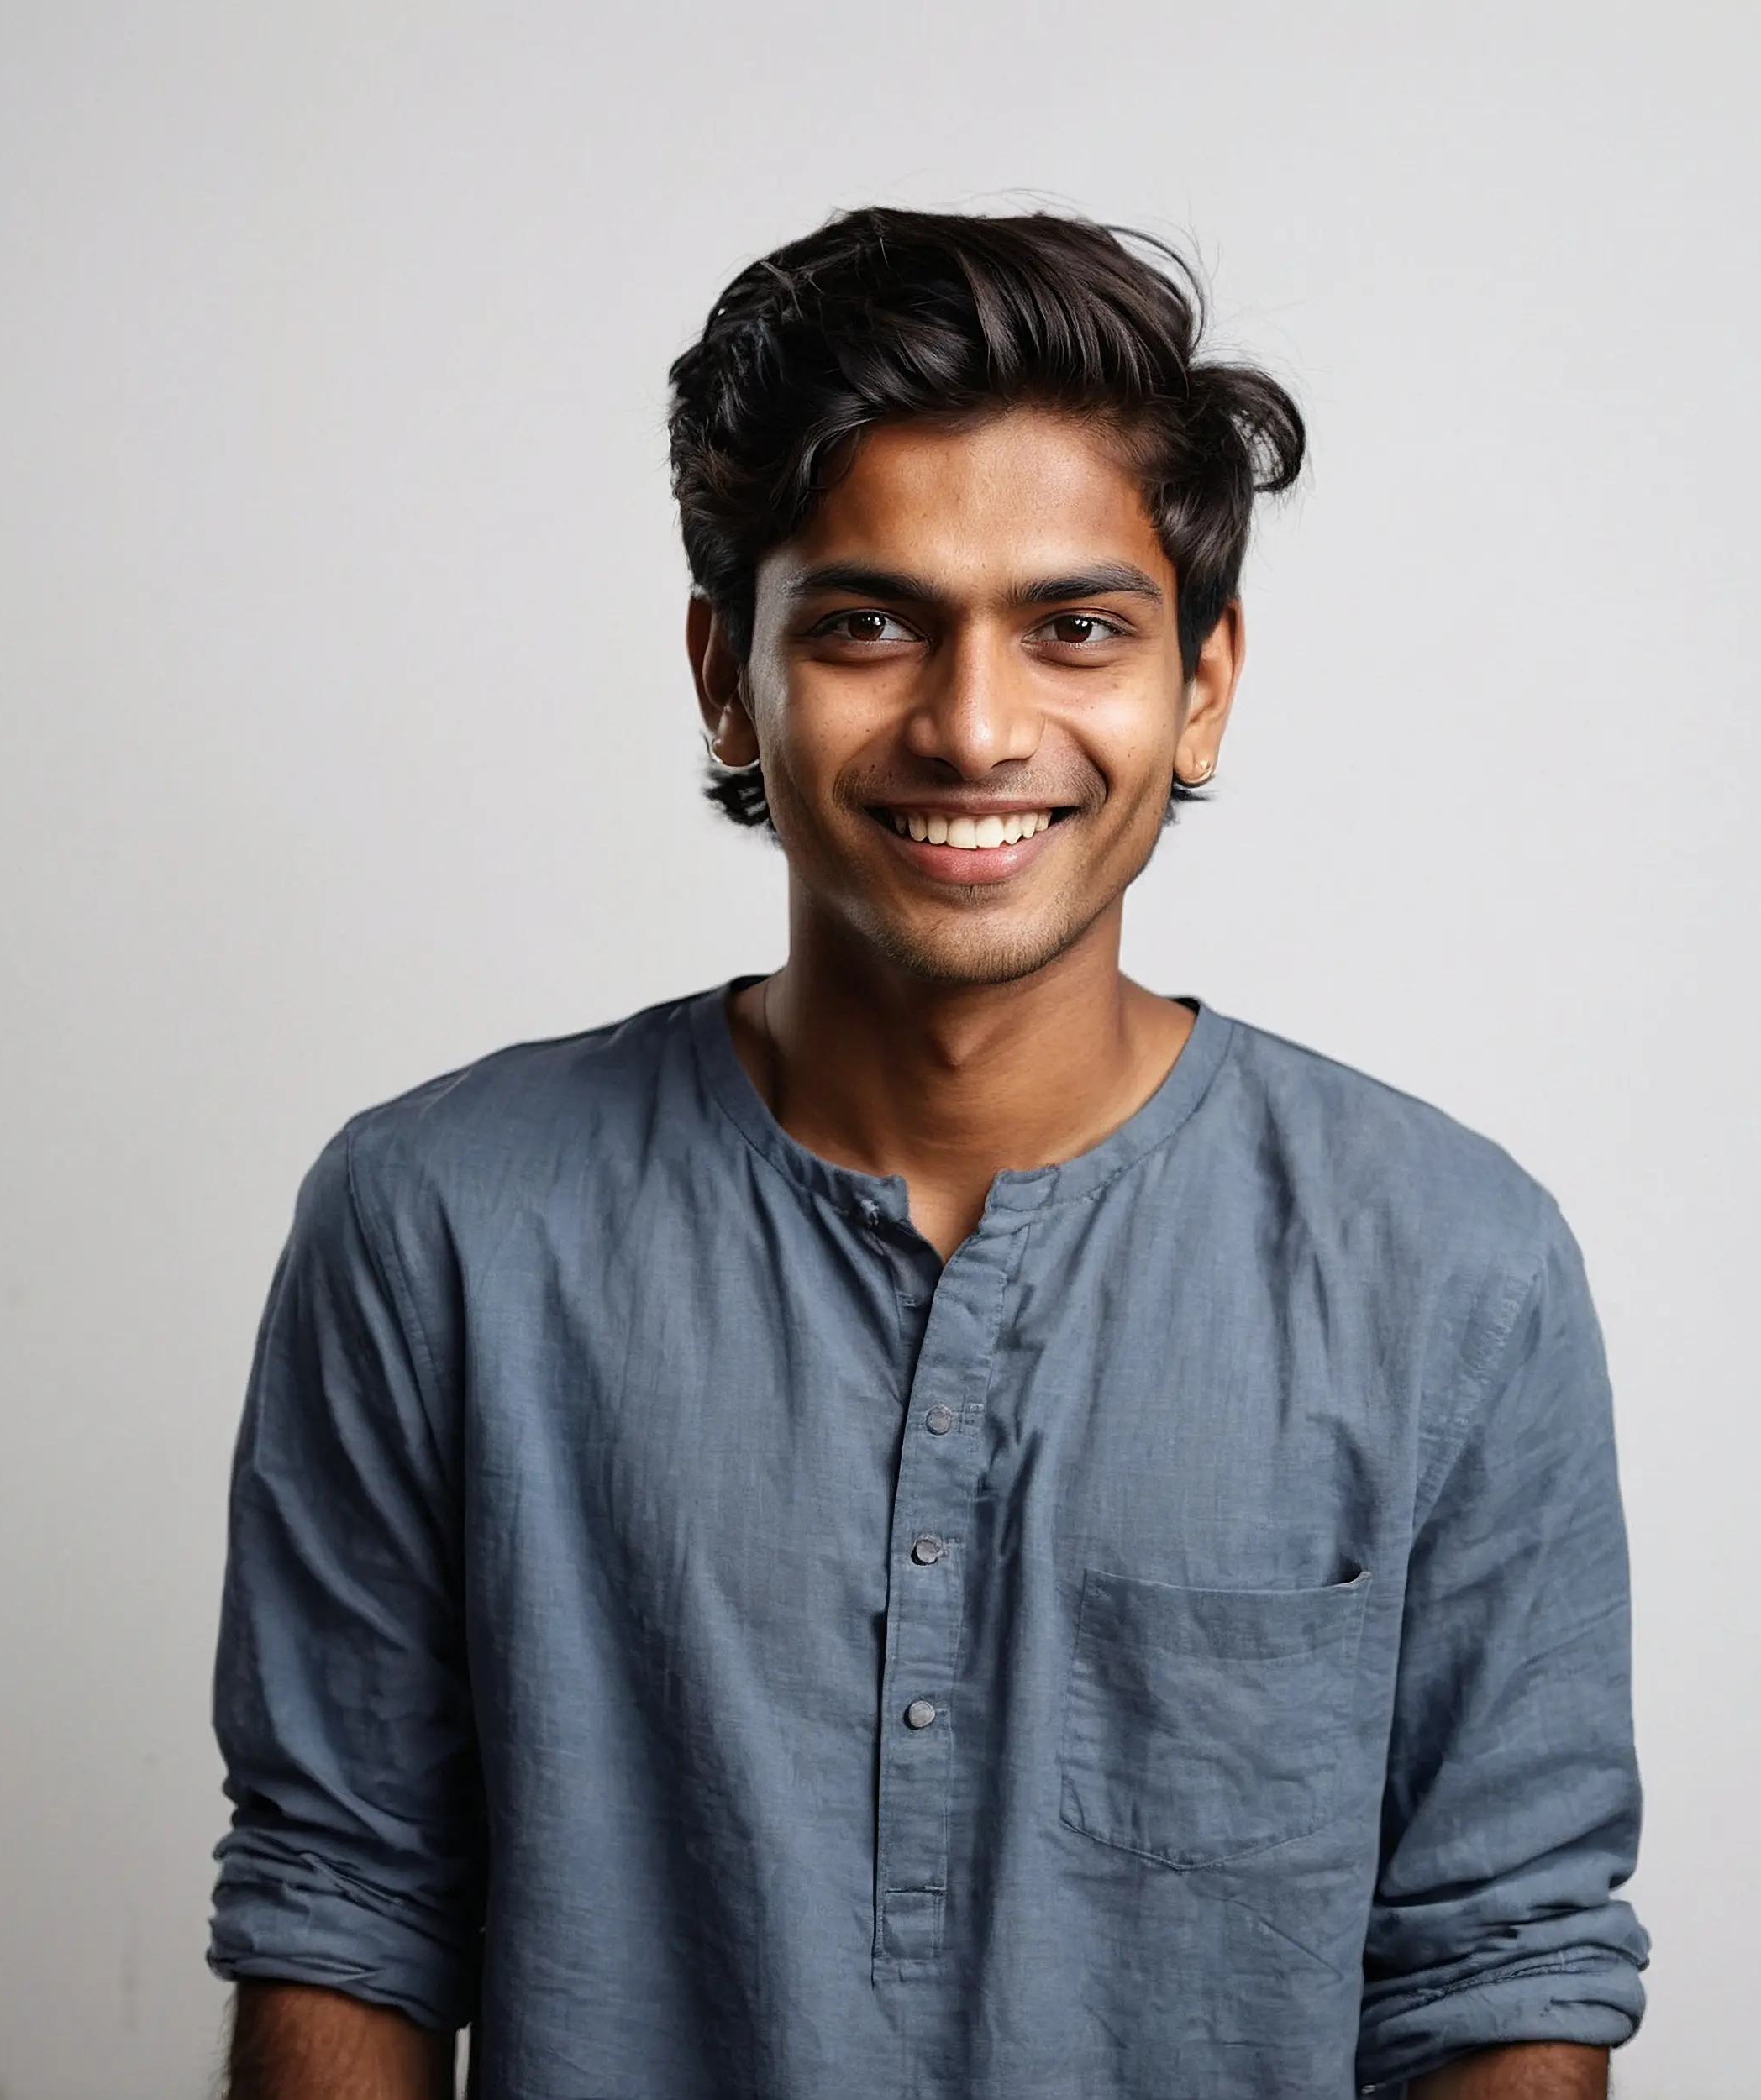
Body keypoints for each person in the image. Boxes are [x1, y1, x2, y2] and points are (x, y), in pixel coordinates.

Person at [208, 207, 1648, 2100]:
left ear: (1199, 685)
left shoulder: (1451, 1266)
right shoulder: (440, 1224)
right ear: (730, 675)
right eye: (872, 622)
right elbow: (344, 1907)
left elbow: (1500, 1966)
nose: (974, 728)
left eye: (1074, 628)